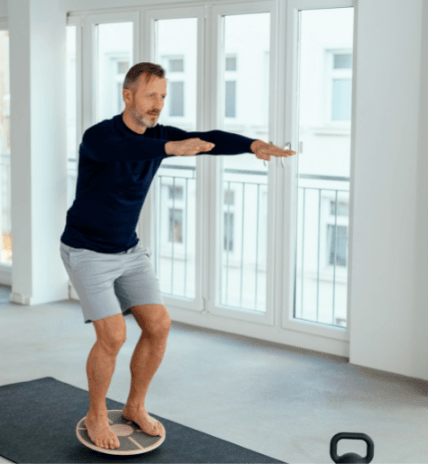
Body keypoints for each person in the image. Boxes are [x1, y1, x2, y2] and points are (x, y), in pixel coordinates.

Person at [59, 62, 296, 450]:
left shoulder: (160, 135)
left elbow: (208, 138)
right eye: (151, 95)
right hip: (87, 250)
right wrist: (170, 147)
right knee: (113, 336)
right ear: (128, 95)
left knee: (159, 325)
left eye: (164, 96)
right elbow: (125, 149)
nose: (158, 104)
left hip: (129, 249)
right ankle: (96, 414)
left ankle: (135, 406)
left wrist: (251, 145)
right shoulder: (99, 136)